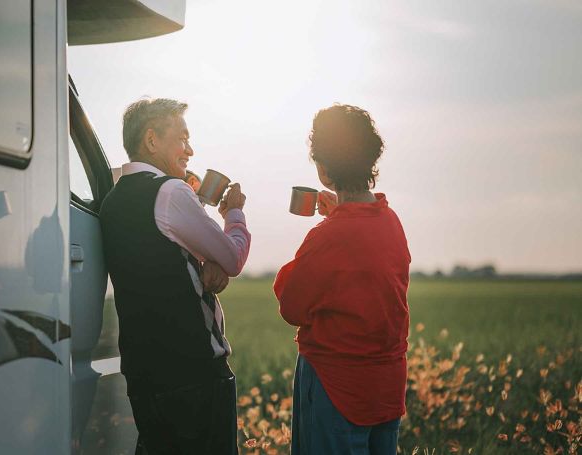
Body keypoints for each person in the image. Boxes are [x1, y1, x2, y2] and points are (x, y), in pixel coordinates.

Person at [100, 97, 250, 455]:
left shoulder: (113, 199)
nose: (190, 149)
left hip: (144, 374)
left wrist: (202, 263)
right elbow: (232, 258)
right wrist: (235, 215)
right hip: (194, 373)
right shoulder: (170, 191)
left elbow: (159, 256)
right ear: (152, 141)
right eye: (182, 138)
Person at [273, 104, 410, 454]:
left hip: (336, 389)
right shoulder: (391, 222)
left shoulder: (328, 236)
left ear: (324, 169)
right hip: (386, 389)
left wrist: (330, 225)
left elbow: (291, 305)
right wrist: (340, 215)